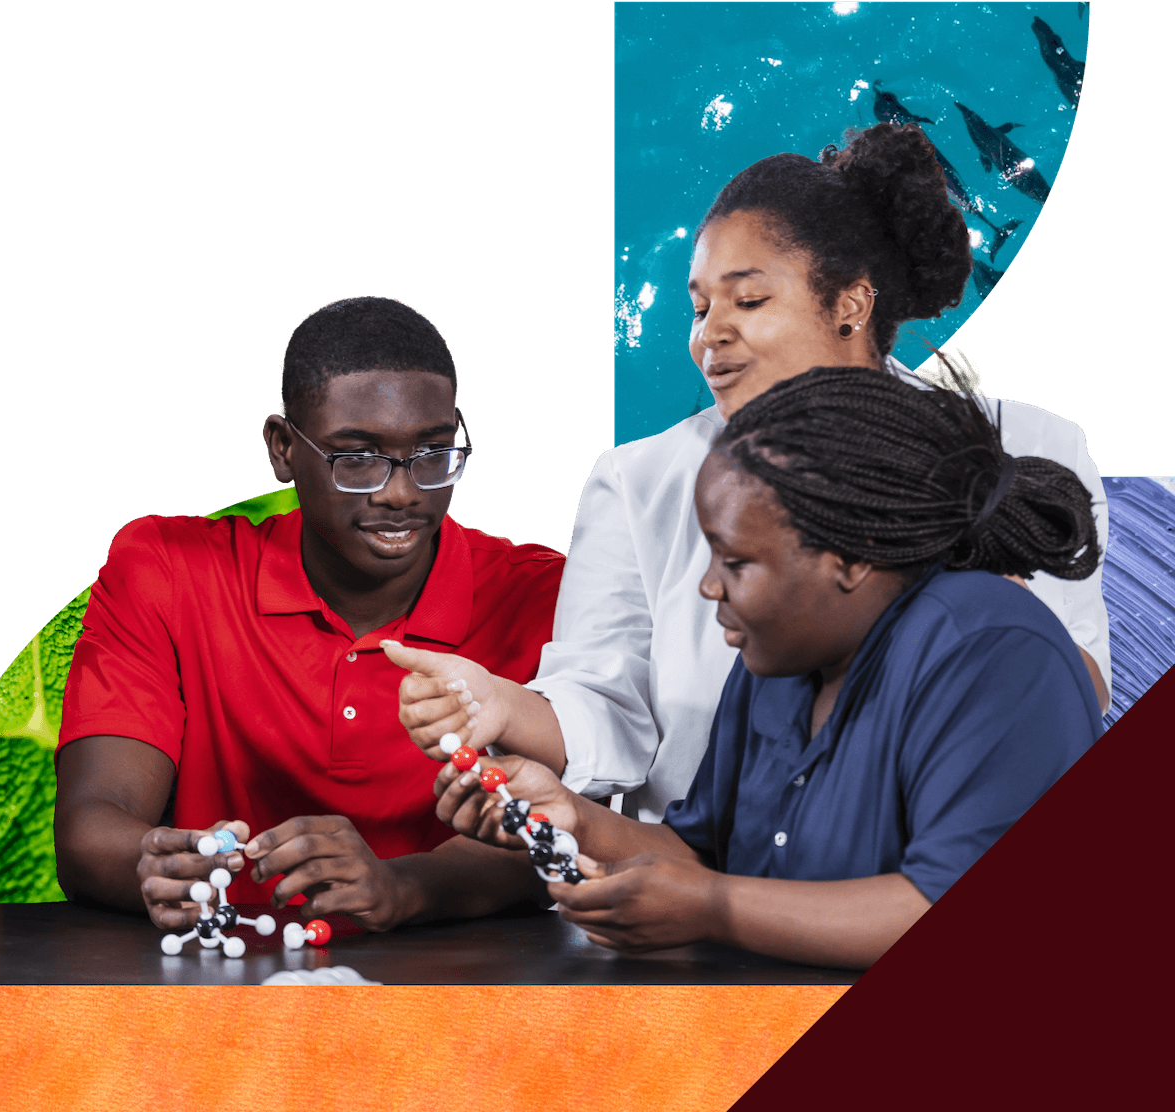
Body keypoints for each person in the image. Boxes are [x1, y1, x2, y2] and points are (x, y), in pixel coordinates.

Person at [381, 122, 1110, 827]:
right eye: (699, 307)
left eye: (749, 300)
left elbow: (1072, 694)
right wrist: (499, 705)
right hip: (690, 885)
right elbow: (606, 711)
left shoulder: (1025, 446)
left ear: (851, 302)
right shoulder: (636, 482)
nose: (710, 334)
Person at [426, 365, 1105, 969]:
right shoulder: (776, 660)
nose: (708, 589)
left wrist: (713, 909)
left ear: (853, 555)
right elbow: (704, 856)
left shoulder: (996, 650)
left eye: (737, 563)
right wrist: (569, 816)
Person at [53, 297, 558, 936]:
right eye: (357, 458)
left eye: (432, 453)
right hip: (214, 992)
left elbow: (562, 831)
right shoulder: (165, 570)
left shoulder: (541, 595)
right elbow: (94, 819)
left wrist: (402, 887)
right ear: (283, 448)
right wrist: (145, 864)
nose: (400, 492)